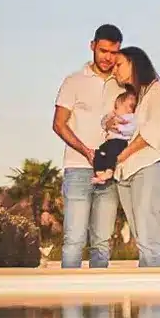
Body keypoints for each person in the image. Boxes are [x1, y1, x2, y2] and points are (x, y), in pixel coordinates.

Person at [53, 24, 124, 268]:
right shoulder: (73, 81)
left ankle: (100, 295)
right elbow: (59, 124)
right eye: (103, 51)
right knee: (74, 240)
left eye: (113, 52)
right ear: (92, 46)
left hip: (111, 172)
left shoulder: (123, 84)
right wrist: (86, 151)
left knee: (102, 243)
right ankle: (68, 293)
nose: (107, 57)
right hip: (78, 168)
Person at [109, 46, 160, 268]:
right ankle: (154, 286)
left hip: (151, 165)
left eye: (119, 65)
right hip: (127, 171)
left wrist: (120, 155)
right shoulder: (135, 98)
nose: (114, 70)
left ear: (134, 63)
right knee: (142, 238)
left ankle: (155, 288)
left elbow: (150, 134)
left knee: (150, 236)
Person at [92, 87, 138, 185]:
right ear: (119, 103)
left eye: (134, 100)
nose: (133, 101)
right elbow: (103, 123)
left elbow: (132, 129)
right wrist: (110, 118)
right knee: (99, 152)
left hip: (120, 141)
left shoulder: (131, 117)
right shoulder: (114, 115)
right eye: (130, 98)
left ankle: (109, 171)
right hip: (109, 141)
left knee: (112, 155)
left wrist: (119, 127)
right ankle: (99, 172)